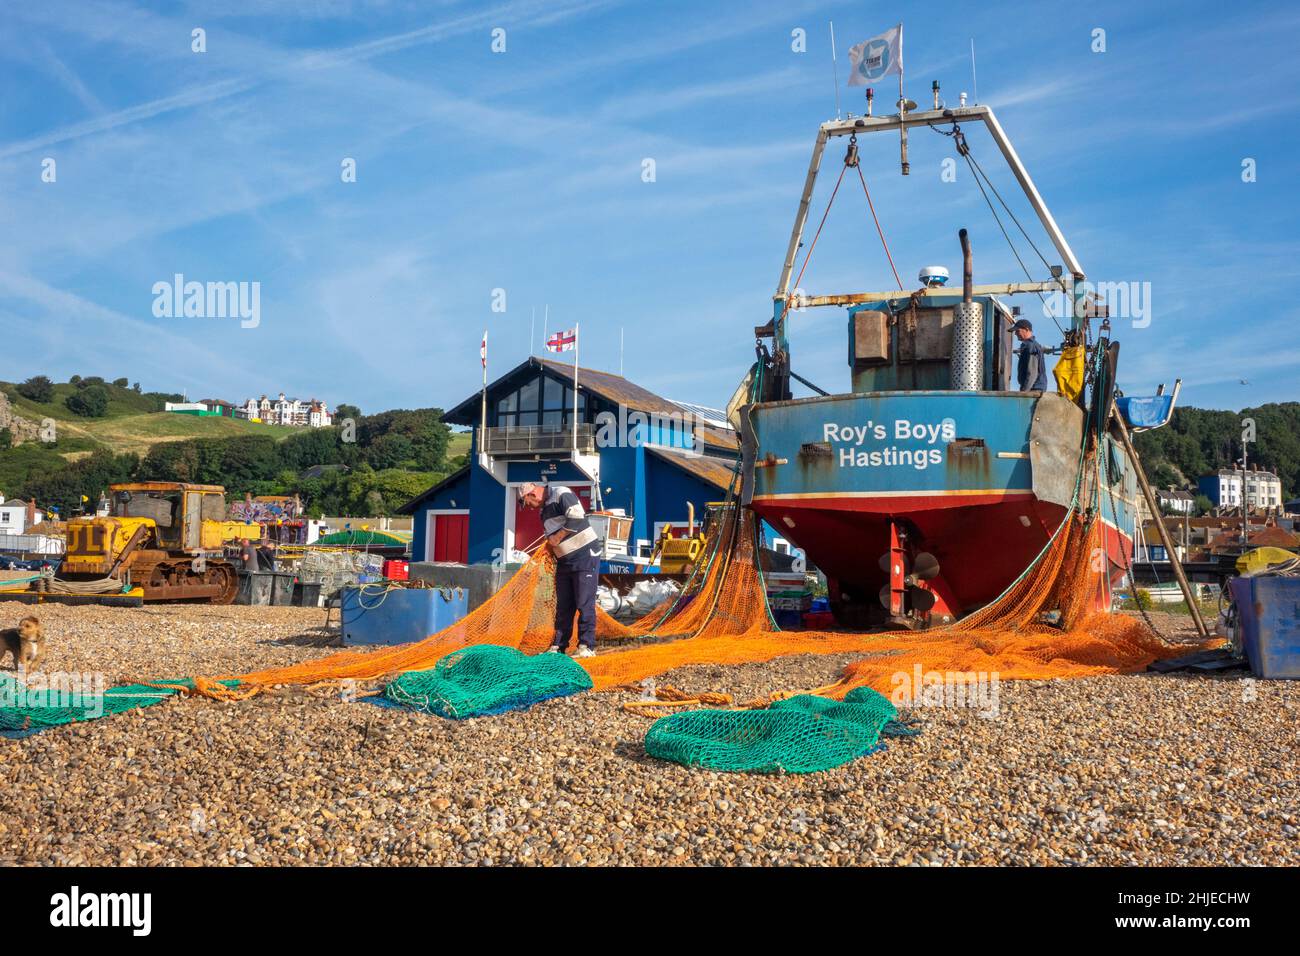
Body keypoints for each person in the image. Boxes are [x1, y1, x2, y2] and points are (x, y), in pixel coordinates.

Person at [517, 481, 602, 658]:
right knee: (563, 605)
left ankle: (587, 646)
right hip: (564, 561)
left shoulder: (560, 493)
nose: (531, 508)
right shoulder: (543, 511)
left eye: (528, 503)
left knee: (584, 602)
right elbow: (551, 537)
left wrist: (558, 537)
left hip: (585, 555)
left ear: (532, 494)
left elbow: (577, 516)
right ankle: (559, 645)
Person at [1012, 318, 1049, 391]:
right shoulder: (1031, 345)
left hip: (1034, 389)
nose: (1015, 333)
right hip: (1034, 388)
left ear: (1026, 329)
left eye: (1017, 331)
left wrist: (1024, 392)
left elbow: (1032, 373)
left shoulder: (1030, 346)